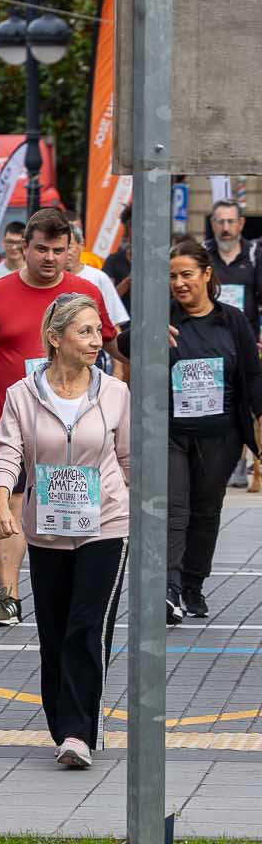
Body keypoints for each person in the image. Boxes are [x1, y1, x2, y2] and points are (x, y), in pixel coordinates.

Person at [0, 294, 130, 768]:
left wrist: (138, 511)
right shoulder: (22, 395)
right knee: (54, 630)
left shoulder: (114, 392)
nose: (96, 341)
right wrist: (3, 498)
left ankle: (78, 732)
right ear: (55, 338)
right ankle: (65, 724)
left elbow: (129, 459)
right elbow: (7, 451)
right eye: (85, 332)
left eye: (97, 331)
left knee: (86, 627)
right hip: (46, 527)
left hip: (105, 524)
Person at [0, 208, 116, 629]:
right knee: (8, 503)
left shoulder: (84, 291)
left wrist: (153, 348)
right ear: (23, 249)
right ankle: (8, 594)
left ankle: (68, 587)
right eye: (41, 249)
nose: (50, 258)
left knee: (66, 501)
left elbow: (108, 342)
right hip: (7, 421)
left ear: (70, 250)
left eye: (58, 250)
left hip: (71, 424)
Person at [117, 239, 262, 622]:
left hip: (221, 435)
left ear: (206, 275)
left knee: (206, 510)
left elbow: (253, 374)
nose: (179, 283)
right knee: (174, 508)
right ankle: (169, 588)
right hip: (171, 433)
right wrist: (147, 334)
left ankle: (194, 586)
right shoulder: (161, 316)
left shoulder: (231, 320)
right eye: (172, 276)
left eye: (186, 275)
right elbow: (122, 344)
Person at [205, 200, 262, 337]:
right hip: (210, 338)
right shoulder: (202, 255)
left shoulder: (255, 255)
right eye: (220, 222)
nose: (225, 228)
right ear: (213, 224)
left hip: (246, 338)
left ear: (241, 223)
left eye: (230, 221)